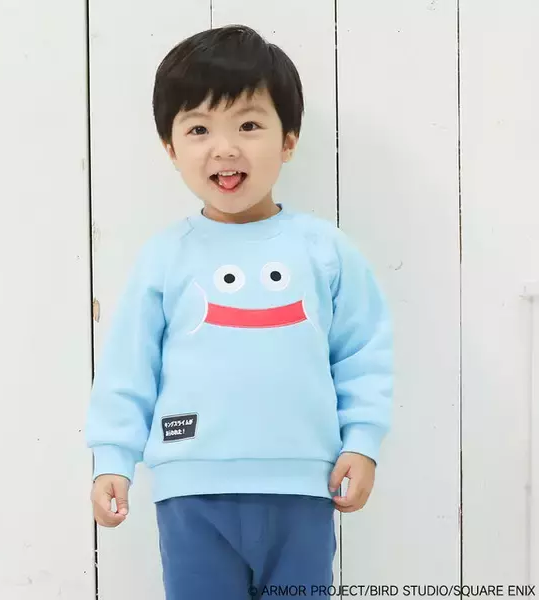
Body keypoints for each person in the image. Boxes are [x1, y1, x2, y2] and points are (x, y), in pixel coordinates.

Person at [85, 24, 393, 600]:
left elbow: (362, 353)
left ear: (288, 140)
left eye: (248, 125)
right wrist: (112, 459)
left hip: (304, 487)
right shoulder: (166, 257)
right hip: (191, 492)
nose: (224, 148)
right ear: (171, 148)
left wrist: (362, 441)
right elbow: (129, 368)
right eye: (199, 129)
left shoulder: (324, 250)